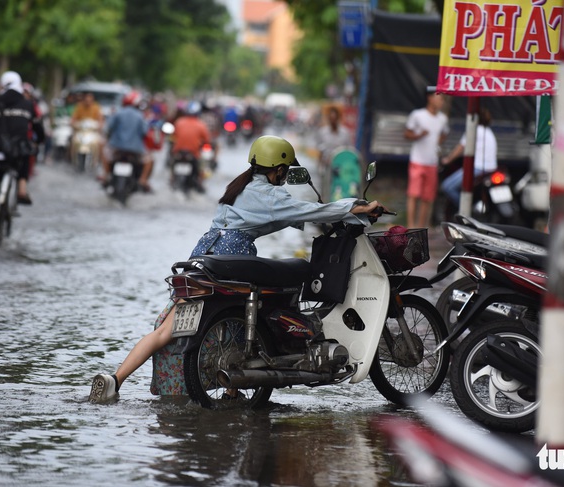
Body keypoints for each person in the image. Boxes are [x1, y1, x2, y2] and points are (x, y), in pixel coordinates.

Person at [89, 135, 382, 403]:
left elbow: (285, 217)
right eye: (284, 170)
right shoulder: (270, 196)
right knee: (244, 315)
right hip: (233, 254)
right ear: (279, 169)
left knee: (166, 330)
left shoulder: (241, 187)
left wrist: (318, 216)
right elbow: (309, 211)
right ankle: (233, 389)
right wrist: (354, 207)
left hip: (204, 253)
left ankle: (114, 380)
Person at [0, 71, 44, 236]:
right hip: (18, 151)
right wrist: (37, 141)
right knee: (25, 153)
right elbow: (38, 130)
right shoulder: (28, 104)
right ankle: (22, 188)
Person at [403, 92, 449, 228]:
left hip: (432, 162)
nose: (441, 102)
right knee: (413, 195)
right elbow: (407, 133)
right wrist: (418, 135)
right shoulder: (418, 115)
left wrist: (437, 144)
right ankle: (411, 226)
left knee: (427, 197)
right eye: (439, 98)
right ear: (430, 98)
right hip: (417, 160)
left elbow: (444, 133)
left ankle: (420, 227)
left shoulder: (442, 118)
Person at [440, 108, 497, 208]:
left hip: (477, 168)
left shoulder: (473, 130)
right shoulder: (488, 132)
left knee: (447, 187)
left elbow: (460, 148)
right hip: (491, 168)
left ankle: (465, 210)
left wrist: (448, 160)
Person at [102, 90, 152, 192]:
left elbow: (108, 128)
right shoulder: (140, 116)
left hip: (116, 148)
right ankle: (143, 180)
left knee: (104, 152)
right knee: (150, 159)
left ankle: (106, 175)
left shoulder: (117, 113)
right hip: (136, 150)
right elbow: (145, 132)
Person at [171, 101, 211, 191]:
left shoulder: (179, 122)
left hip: (178, 152)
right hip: (193, 154)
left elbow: (173, 136)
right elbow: (207, 141)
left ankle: (172, 179)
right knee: (202, 168)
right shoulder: (201, 125)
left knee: (172, 165)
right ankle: (200, 182)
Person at [316, 106, 352, 199]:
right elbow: (320, 150)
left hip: (341, 167)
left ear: (338, 118)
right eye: (331, 118)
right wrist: (320, 166)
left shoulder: (345, 133)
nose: (333, 121)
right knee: (325, 189)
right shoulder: (322, 132)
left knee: (339, 189)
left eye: (335, 118)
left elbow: (348, 151)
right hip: (327, 165)